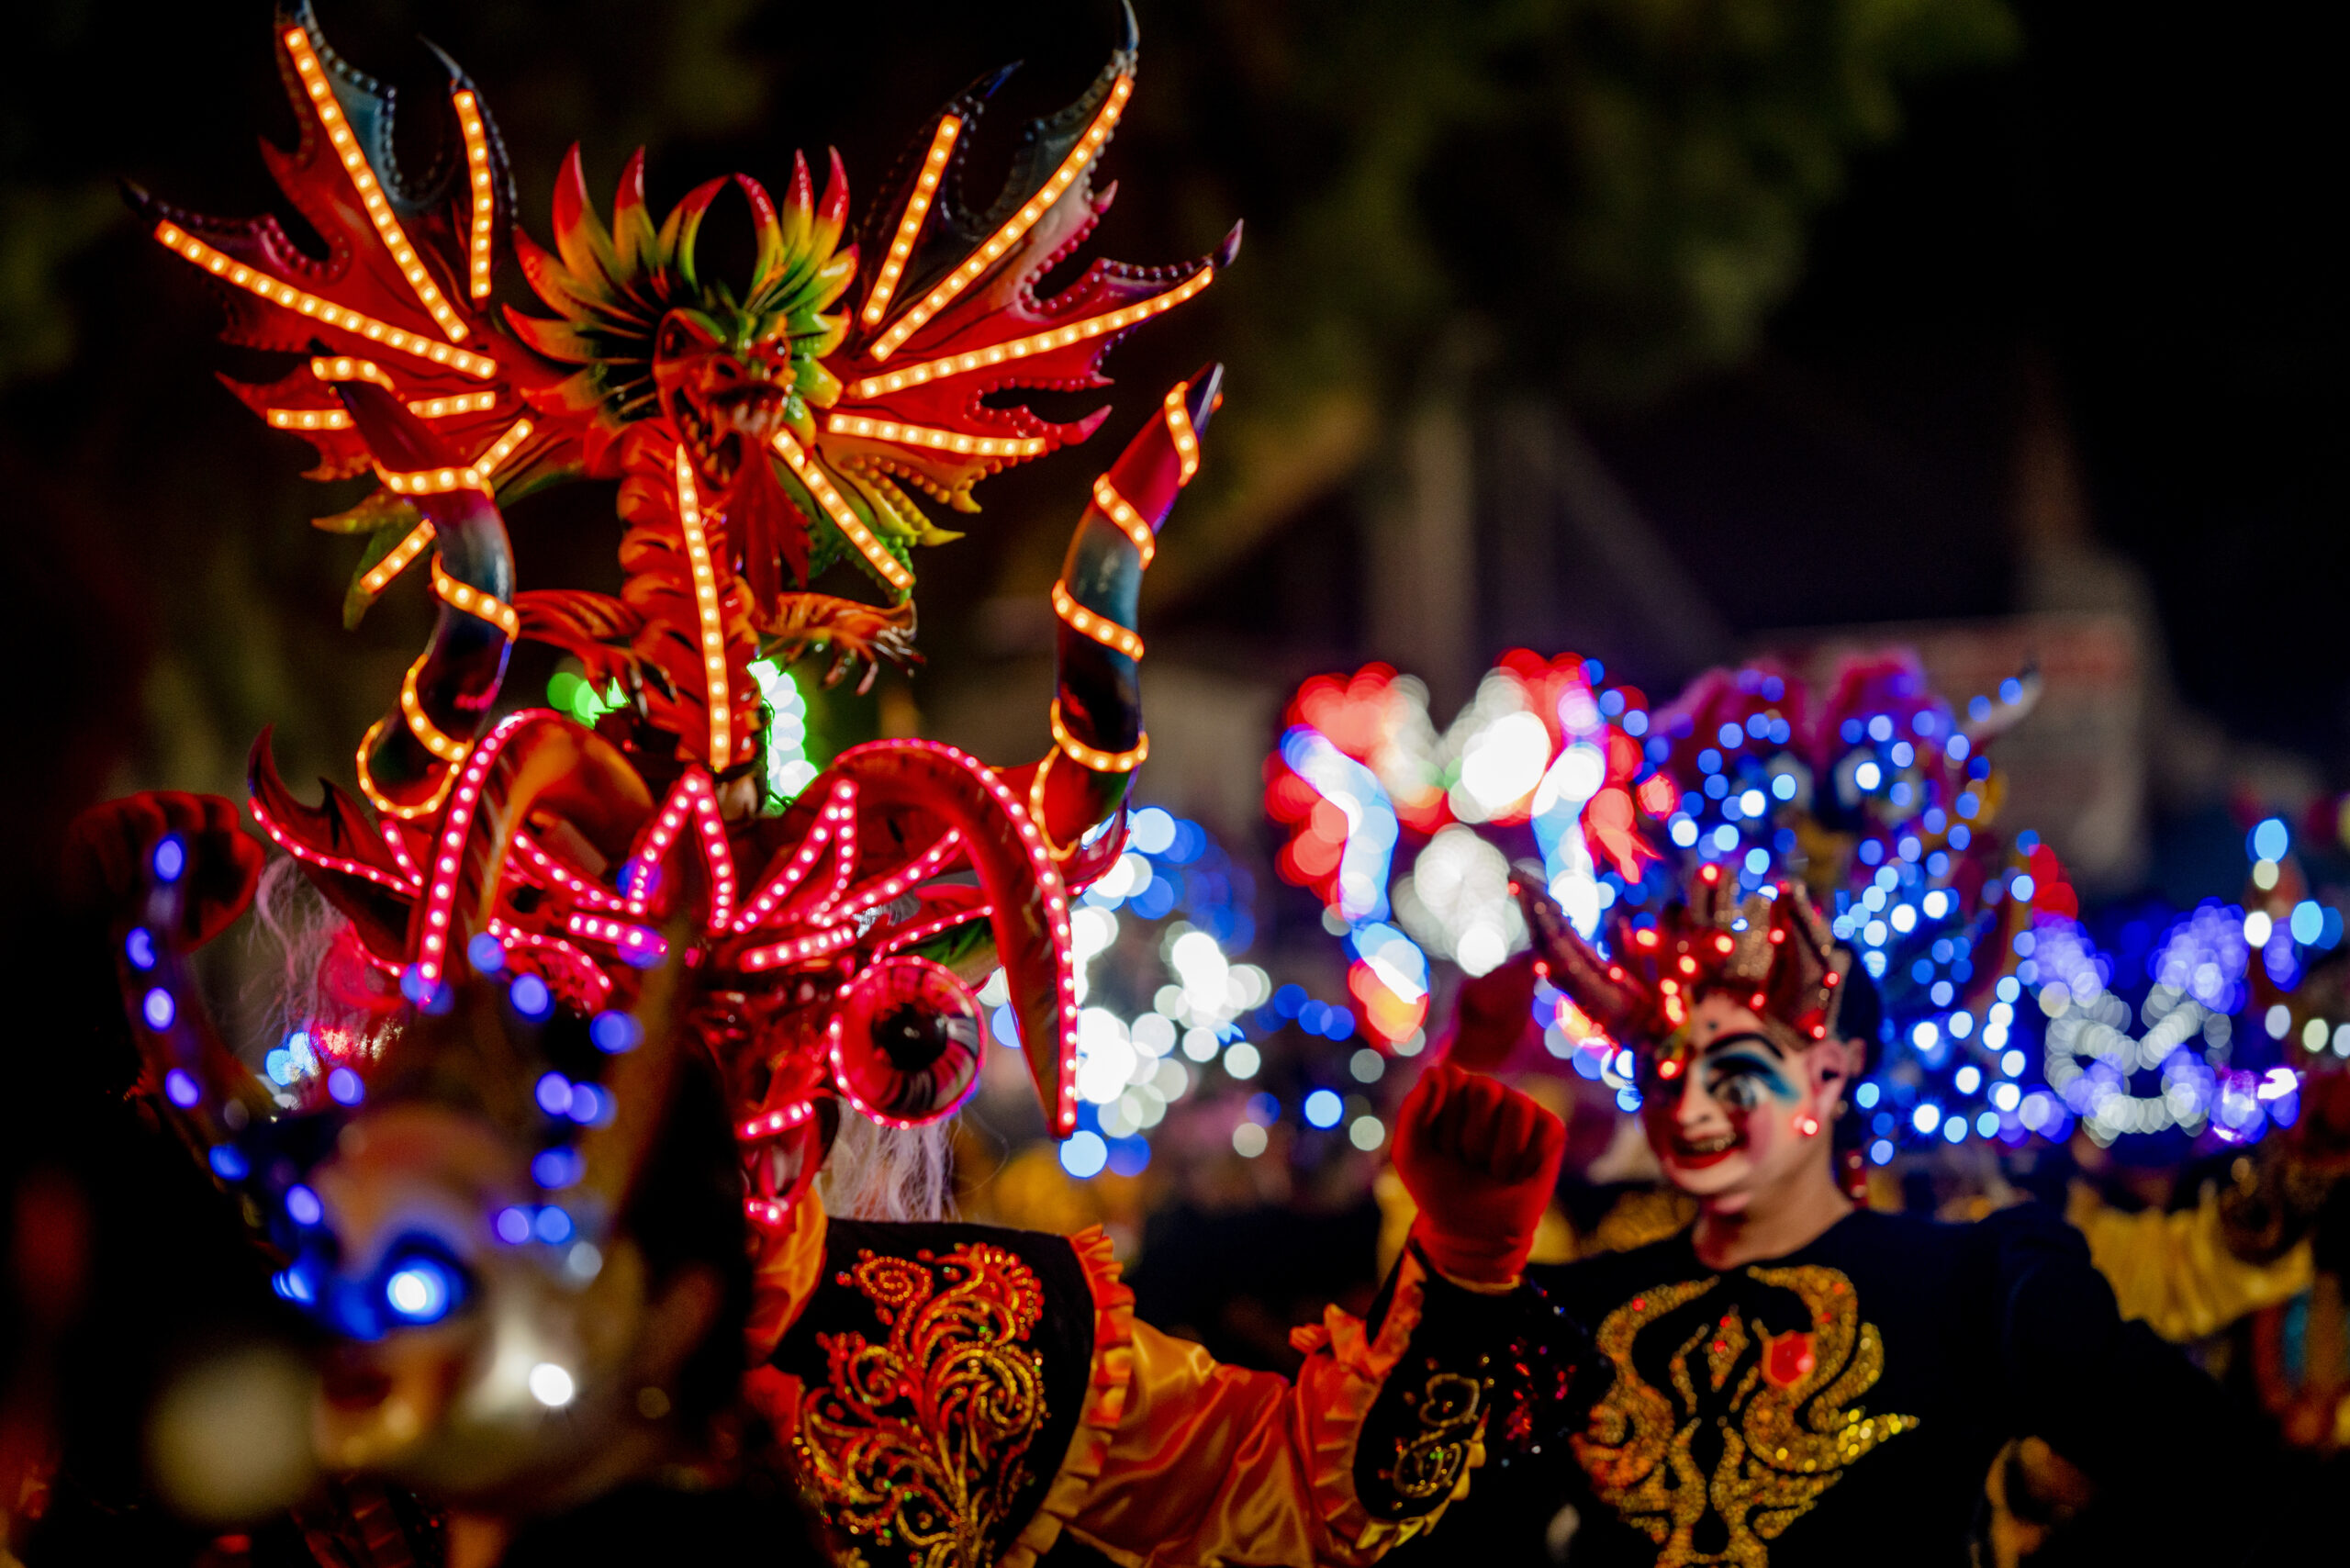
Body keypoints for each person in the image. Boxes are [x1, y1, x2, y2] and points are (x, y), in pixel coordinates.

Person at [74, 11, 1584, 1564]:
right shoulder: (395, 1341)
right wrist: (111, 1012)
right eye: (629, 1031)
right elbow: (111, 1449)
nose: (728, 1096)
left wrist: (1467, 1269)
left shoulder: (976, 1347)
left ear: (869, 1041)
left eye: (793, 1028)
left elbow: (1307, 1501)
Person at [1409, 865, 2254, 1567]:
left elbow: (2211, 1471)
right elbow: (1411, 1521)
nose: (1691, 1109)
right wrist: (1459, 1262)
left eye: (1735, 1077)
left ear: (1833, 1072)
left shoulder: (1969, 1283)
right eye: (1665, 1075)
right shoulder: (1572, 1307)